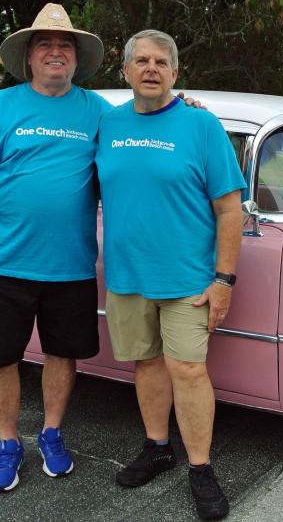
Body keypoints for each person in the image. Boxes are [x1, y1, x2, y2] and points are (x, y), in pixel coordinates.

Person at [0, 3, 111, 492]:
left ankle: (52, 433)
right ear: (29, 57)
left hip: (71, 266)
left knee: (62, 354)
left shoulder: (99, 113)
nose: (56, 51)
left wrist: (184, 111)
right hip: (6, 262)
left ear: (76, 60)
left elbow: (144, 139)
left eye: (64, 45)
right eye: (45, 44)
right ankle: (8, 442)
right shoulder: (0, 107)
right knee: (0, 358)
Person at [96, 30, 245, 520]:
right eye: (141, 60)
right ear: (126, 71)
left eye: (161, 61)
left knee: (188, 369)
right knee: (146, 364)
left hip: (188, 281)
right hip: (127, 276)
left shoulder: (202, 127)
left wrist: (224, 281)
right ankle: (157, 446)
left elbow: (229, 211)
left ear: (176, 74)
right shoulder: (108, 124)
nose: (151, 68)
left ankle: (200, 467)